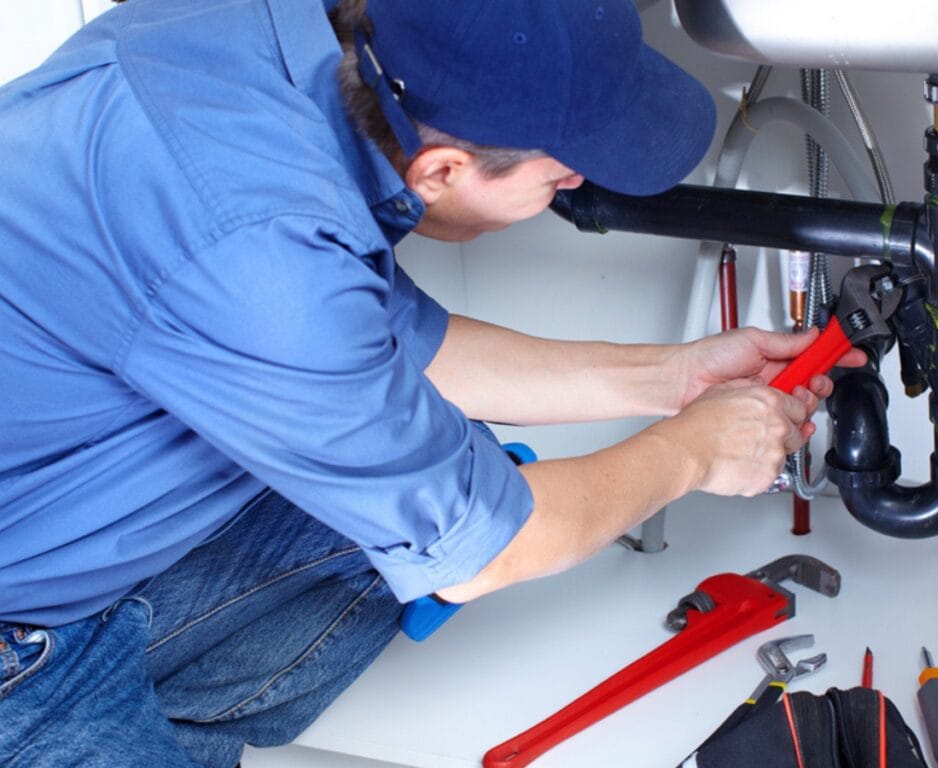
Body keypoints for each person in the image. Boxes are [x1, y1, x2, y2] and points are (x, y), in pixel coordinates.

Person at [0, 0, 864, 765]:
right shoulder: (261, 257)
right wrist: (691, 456)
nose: (579, 183)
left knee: (427, 502)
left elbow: (391, 342)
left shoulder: (278, 38)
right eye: (562, 174)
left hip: (54, 524)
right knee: (461, 518)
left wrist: (673, 379)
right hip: (19, 648)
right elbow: (489, 553)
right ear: (441, 171)